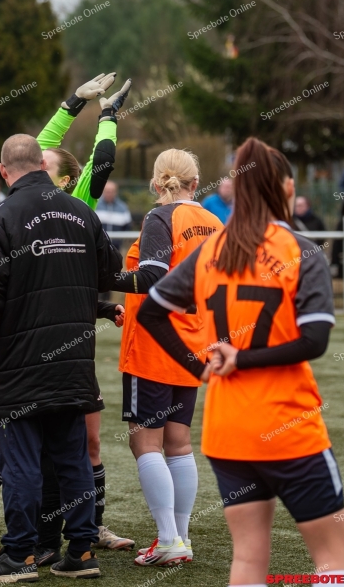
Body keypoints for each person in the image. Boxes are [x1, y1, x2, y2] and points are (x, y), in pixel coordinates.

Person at [137, 137, 344, 587]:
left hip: (227, 428)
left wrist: (201, 367)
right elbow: (315, 339)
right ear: (287, 186)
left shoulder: (214, 251)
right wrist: (244, 358)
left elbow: (153, 310)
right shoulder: (298, 249)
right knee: (334, 560)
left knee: (249, 560)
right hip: (288, 424)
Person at [0, 74, 133, 558]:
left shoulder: (80, 203)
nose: (44, 161)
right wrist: (74, 101)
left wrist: (110, 118)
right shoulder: (33, 204)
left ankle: (63, 538)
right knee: (33, 449)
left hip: (51, 346)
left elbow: (87, 158)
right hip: (48, 347)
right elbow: (39, 146)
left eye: (51, 166)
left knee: (77, 447)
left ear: (64, 177)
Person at [109, 149, 223, 566]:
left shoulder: (161, 217)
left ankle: (168, 538)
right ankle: (180, 538)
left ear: (158, 184)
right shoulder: (215, 222)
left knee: (146, 442)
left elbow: (153, 277)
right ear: (198, 182)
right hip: (195, 345)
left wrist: (104, 278)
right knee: (178, 443)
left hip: (154, 345)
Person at [95, 181, 133, 246]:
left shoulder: (123, 207)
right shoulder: (96, 205)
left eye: (111, 191)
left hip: (116, 246)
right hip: (98, 246)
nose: (109, 194)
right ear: (103, 191)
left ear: (116, 192)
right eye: (107, 191)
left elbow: (127, 226)